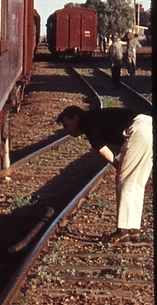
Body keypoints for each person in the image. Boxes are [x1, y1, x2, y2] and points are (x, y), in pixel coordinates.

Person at [56, 104, 153, 243]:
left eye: (66, 125)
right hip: (148, 125)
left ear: (75, 118)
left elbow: (102, 149)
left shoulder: (86, 121)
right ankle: (133, 231)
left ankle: (123, 230)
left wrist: (118, 166)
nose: (67, 130)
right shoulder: (93, 117)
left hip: (138, 130)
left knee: (124, 181)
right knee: (136, 183)